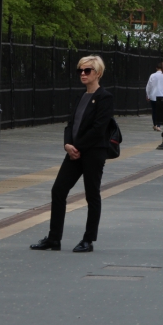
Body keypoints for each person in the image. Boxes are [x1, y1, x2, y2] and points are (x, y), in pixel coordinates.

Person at [31, 56, 113, 254]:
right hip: (74, 151)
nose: (83, 74)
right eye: (80, 71)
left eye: (87, 70)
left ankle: (88, 239)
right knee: (58, 190)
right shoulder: (81, 96)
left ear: (98, 73)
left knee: (92, 194)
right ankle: (54, 238)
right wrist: (67, 144)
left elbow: (99, 129)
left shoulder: (105, 97)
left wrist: (77, 147)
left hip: (93, 152)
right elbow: (70, 124)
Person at [145, 62, 163, 131]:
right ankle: (158, 125)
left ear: (156, 68)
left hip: (153, 96)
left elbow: (148, 86)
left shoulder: (152, 75)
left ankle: (155, 124)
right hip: (162, 97)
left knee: (154, 111)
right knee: (161, 111)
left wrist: (148, 95)